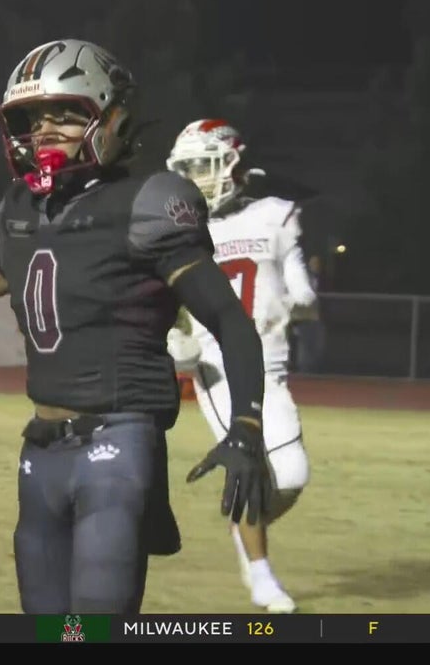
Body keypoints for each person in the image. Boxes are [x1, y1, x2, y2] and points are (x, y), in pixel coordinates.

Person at [0, 39, 272, 614]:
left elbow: (228, 318)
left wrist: (246, 426)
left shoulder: (148, 203)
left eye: (65, 113)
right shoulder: (22, 211)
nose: (44, 130)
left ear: (111, 117)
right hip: (40, 450)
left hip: (118, 441)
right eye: (32, 118)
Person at [164, 118, 316, 613]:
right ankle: (261, 573)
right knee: (254, 468)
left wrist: (299, 296)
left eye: (203, 166)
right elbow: (163, 300)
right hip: (218, 367)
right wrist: (174, 339)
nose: (196, 179)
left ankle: (245, 525)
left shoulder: (273, 214)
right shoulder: (178, 230)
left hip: (270, 365)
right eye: (188, 169)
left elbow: (298, 284)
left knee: (291, 474)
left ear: (231, 163)